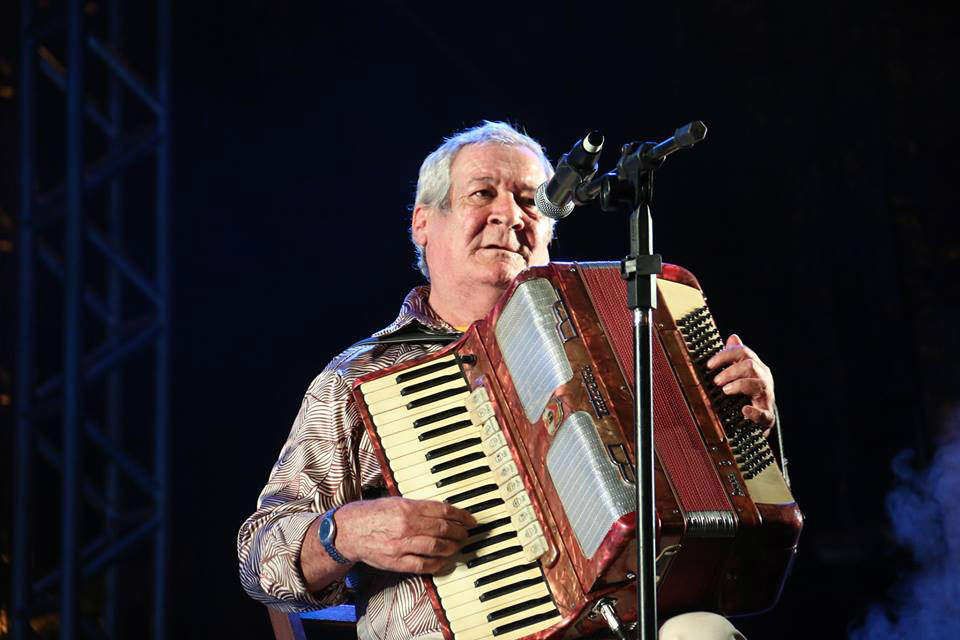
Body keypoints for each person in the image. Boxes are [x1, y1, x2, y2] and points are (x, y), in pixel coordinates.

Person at [237, 121, 777, 640]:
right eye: (482, 194)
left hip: (624, 624)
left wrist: (750, 427)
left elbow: (739, 534)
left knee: (701, 631)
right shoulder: (359, 376)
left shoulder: (632, 337)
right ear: (424, 223)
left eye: (528, 200)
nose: (509, 216)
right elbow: (259, 555)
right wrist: (344, 532)